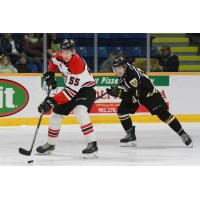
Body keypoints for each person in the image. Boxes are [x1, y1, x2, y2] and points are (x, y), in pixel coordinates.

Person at [106, 56, 193, 147]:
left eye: (119, 68)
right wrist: (119, 91)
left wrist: (119, 94)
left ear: (124, 66)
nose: (117, 71)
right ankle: (130, 135)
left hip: (149, 94)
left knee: (163, 115)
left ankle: (183, 134)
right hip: (137, 92)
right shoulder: (124, 71)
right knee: (122, 111)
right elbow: (130, 90)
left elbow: (134, 96)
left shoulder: (132, 76)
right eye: (115, 68)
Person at [36, 39, 98, 158]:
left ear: (73, 52)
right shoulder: (59, 55)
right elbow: (52, 61)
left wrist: (51, 100)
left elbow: (69, 94)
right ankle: (50, 144)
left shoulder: (77, 64)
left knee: (80, 111)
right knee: (55, 115)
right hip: (71, 89)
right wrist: (51, 73)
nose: (64, 54)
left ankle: (92, 144)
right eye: (63, 51)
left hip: (85, 90)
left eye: (67, 52)